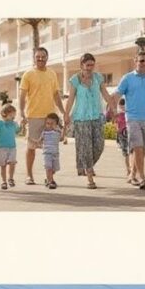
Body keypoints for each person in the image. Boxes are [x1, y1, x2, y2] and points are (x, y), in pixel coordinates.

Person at [109, 50, 145, 190]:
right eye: (141, 60)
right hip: (132, 118)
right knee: (137, 147)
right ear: (135, 61)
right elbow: (117, 95)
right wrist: (112, 110)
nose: (144, 63)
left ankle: (132, 174)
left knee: (143, 149)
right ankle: (142, 178)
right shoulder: (127, 78)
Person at [64, 53, 115, 189]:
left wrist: (113, 109)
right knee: (86, 147)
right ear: (82, 65)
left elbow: (105, 94)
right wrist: (66, 114)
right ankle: (90, 177)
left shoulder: (98, 78)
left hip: (96, 116)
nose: (90, 68)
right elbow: (71, 99)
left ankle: (86, 165)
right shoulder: (75, 80)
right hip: (81, 118)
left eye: (92, 65)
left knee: (99, 146)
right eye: (87, 65)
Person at [19, 47, 65, 185]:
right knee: (31, 147)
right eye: (38, 56)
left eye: (43, 56)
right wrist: (22, 112)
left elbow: (56, 95)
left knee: (51, 150)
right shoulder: (28, 74)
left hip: (50, 117)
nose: (40, 59)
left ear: (47, 57)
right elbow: (22, 96)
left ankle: (49, 177)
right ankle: (29, 175)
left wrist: (63, 112)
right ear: (34, 58)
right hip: (33, 116)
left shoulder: (52, 74)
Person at [0, 104, 19, 190]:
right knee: (3, 165)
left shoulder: (14, 124)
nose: (13, 117)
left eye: (14, 115)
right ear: (5, 114)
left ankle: (11, 178)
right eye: (12, 115)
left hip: (12, 147)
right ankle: (4, 181)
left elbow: (18, 132)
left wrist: (22, 125)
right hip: (2, 147)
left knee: (12, 163)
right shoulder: (0, 123)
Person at [41, 113, 66, 189]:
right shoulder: (44, 132)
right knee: (48, 168)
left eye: (52, 123)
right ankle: (51, 182)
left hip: (55, 154)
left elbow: (61, 139)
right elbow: (40, 140)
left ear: (56, 124)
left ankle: (48, 178)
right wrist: (36, 143)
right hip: (47, 153)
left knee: (54, 169)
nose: (50, 125)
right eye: (48, 123)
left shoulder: (58, 132)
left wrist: (64, 129)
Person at [112, 99, 131, 179]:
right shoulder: (128, 112)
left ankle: (129, 170)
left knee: (127, 153)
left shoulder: (119, 113)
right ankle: (130, 170)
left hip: (123, 134)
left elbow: (115, 124)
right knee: (129, 152)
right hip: (126, 133)